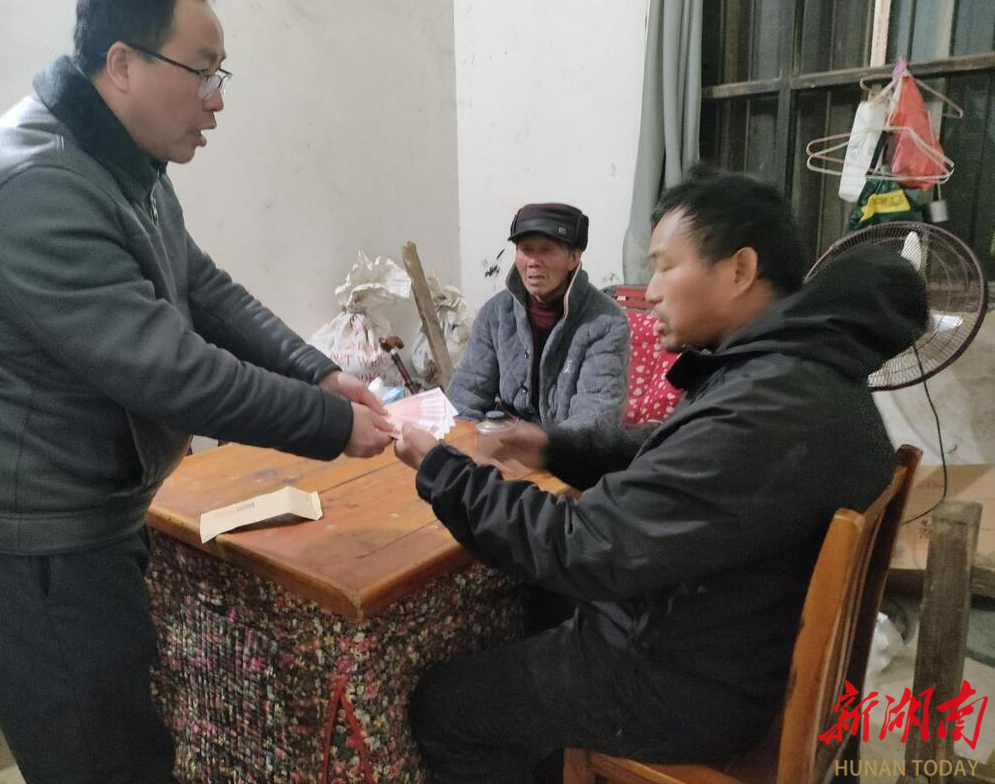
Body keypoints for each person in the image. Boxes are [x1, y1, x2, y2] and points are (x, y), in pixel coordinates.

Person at [0, 0, 392, 782]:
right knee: (96, 754)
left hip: (93, 503)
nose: (217, 100)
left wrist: (317, 371)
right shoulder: (30, 183)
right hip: (35, 534)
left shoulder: (118, 156)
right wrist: (334, 425)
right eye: (203, 71)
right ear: (122, 63)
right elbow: (170, 371)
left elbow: (201, 286)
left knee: (127, 726)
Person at [394, 166, 928, 783]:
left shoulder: (765, 407)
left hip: (684, 680)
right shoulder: (794, 374)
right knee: (535, 606)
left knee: (443, 706)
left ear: (740, 269)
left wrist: (442, 471)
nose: (649, 292)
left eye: (665, 266)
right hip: (729, 639)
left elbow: (583, 545)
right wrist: (555, 447)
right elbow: (673, 451)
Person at [446, 202, 629, 429]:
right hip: (504, 438)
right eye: (526, 249)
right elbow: (466, 395)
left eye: (546, 250)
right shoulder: (495, 313)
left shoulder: (606, 322)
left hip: (567, 447)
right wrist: (461, 441)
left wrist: (538, 445)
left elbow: (596, 415)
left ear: (573, 258)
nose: (533, 262)